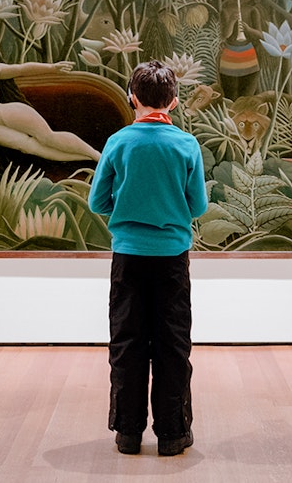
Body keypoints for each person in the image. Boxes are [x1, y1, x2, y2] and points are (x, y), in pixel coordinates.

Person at [88, 60, 208, 457]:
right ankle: (173, 434)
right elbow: (198, 206)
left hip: (127, 257)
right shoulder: (187, 145)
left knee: (127, 341)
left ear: (131, 98)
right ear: (173, 101)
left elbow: (97, 201)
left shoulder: (118, 142)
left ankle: (127, 432)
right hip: (173, 257)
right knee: (173, 344)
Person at [0, 33, 100, 162]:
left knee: (47, 137)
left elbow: (22, 69)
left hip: (6, 113)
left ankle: (96, 156)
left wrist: (52, 68)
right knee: (31, 148)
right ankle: (88, 159)